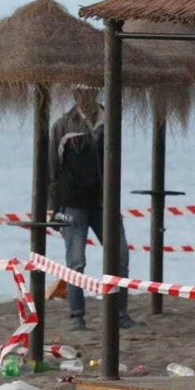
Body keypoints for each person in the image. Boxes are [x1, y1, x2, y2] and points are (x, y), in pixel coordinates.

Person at [51, 87, 137, 332]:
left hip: (104, 204)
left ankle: (120, 314)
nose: (85, 97)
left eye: (89, 92)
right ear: (74, 95)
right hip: (74, 204)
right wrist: (54, 209)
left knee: (120, 257)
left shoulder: (109, 120)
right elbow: (52, 169)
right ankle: (77, 316)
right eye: (80, 92)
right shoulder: (63, 125)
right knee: (76, 262)